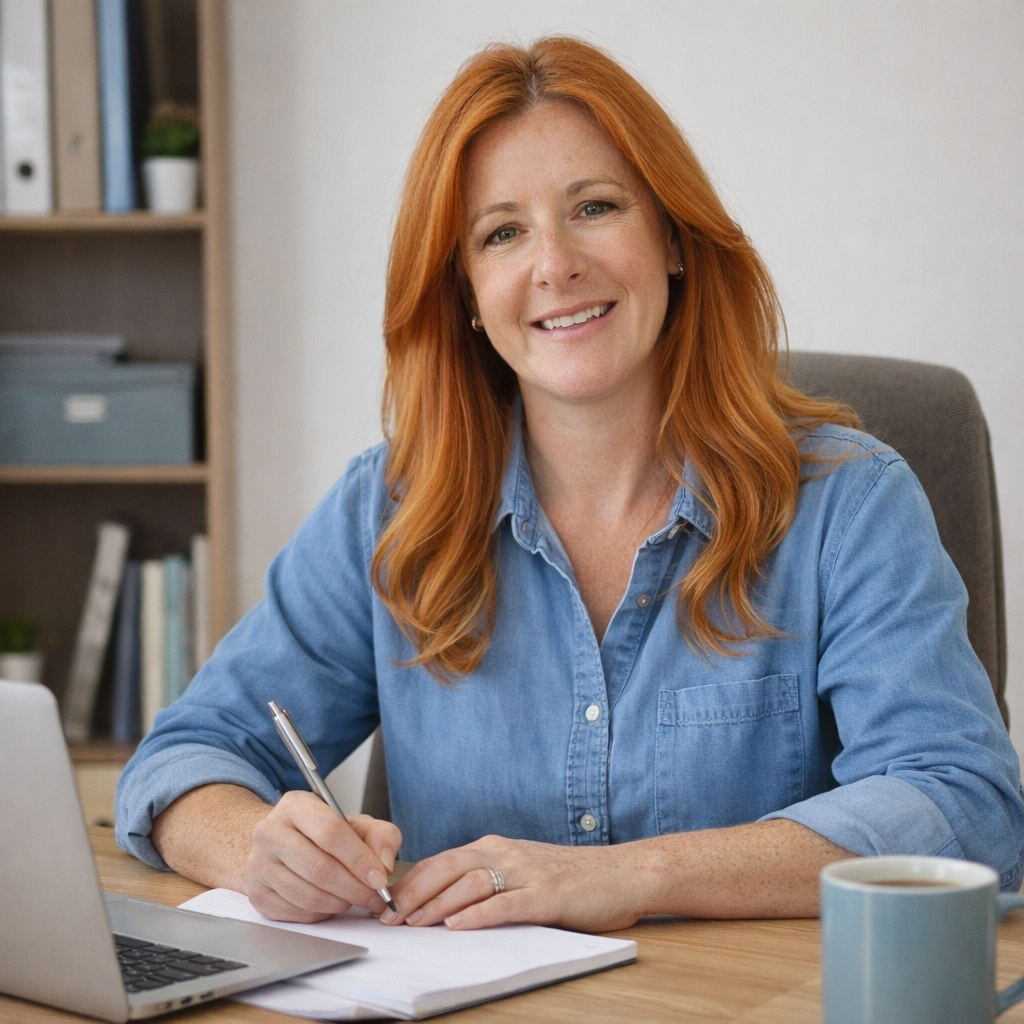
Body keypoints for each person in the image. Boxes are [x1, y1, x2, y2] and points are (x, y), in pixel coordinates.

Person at [117, 36, 1024, 932]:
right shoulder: (389, 510)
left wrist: (630, 876)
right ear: (469, 293)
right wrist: (256, 849)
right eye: (502, 232)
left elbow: (965, 805)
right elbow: (184, 758)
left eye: (594, 208)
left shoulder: (848, 504)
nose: (554, 264)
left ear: (672, 237)